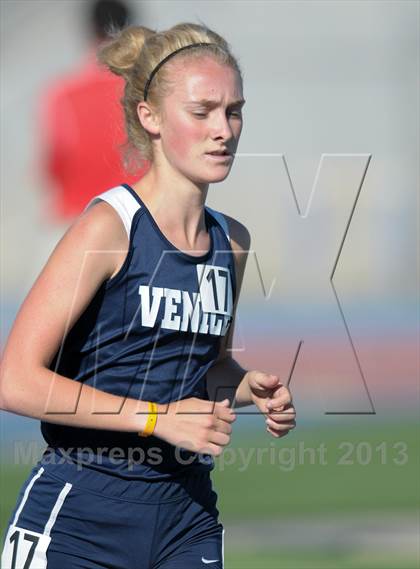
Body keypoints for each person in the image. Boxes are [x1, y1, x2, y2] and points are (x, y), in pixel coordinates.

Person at [1, 22, 296, 569]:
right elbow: (15, 380)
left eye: (234, 111)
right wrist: (157, 418)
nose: (223, 130)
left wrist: (248, 386)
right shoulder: (109, 228)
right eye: (202, 111)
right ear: (150, 117)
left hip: (186, 516)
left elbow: (204, 369)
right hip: (82, 512)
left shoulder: (231, 241)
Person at [37, 0, 143, 223]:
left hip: (80, 219)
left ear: (90, 29)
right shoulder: (148, 89)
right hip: (142, 216)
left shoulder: (63, 94)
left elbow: (53, 166)